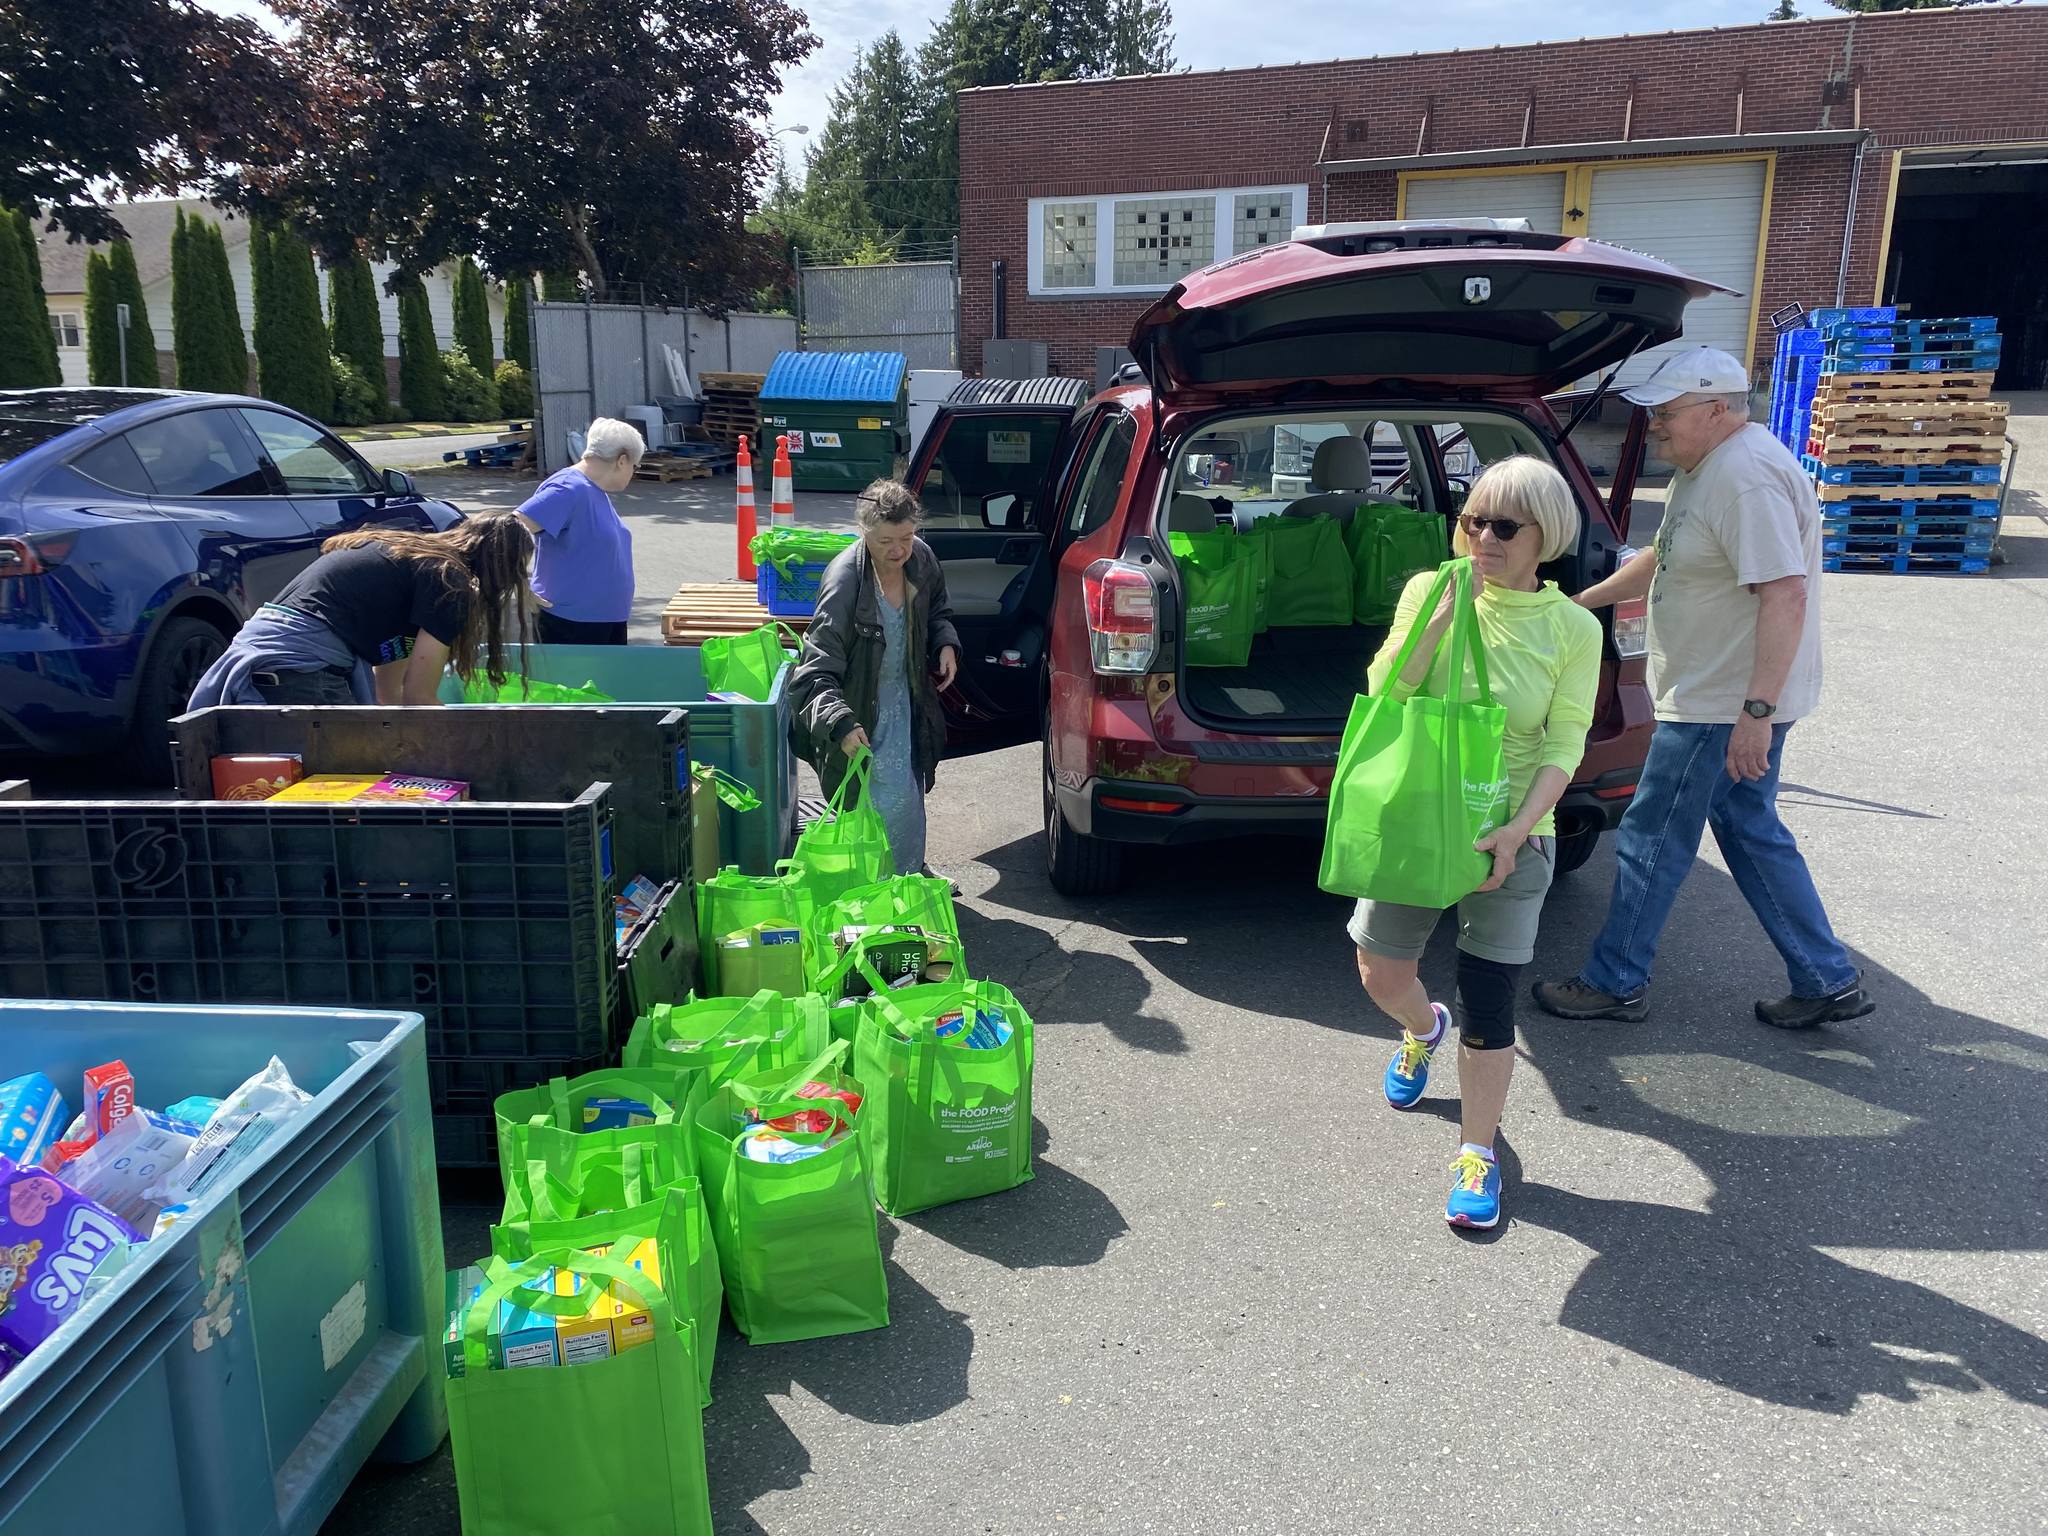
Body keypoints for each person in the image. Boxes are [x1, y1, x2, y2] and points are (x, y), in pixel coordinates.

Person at [1534, 346, 1873, 1031]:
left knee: (1651, 839)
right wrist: (1582, 601)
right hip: (1722, 697)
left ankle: (1615, 979)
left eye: (1666, 414)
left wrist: (1755, 713)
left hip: (1721, 705)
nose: (1654, 426)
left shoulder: (1746, 478)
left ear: (1717, 409)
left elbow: (1784, 596)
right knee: (1750, 831)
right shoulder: (1707, 467)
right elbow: (1669, 553)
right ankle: (1826, 976)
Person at [1352, 456, 1602, 1231]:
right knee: (1378, 971)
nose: (1481, 537)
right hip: (1421, 818)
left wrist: (1518, 831)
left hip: (1516, 831)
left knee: (1490, 1001)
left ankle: (1476, 1153)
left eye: (1502, 525)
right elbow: (1385, 690)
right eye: (1471, 521)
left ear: (1544, 537)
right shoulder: (1431, 588)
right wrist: (1438, 618)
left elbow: (1567, 741)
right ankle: (1424, 1029)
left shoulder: (1573, 628)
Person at [789, 479, 961, 881]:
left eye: (906, 536)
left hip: (909, 698)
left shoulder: (921, 558)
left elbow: (938, 609)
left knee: (909, 794)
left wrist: (945, 644)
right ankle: (881, 885)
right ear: (864, 532)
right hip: (861, 705)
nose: (898, 550)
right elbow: (813, 670)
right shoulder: (844, 581)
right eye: (886, 541)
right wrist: (841, 724)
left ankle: (910, 872)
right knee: (876, 800)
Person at [187, 514, 536, 708]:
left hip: (263, 651)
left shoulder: (406, 557)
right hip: (302, 668)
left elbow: (390, 693)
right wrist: (474, 747)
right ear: (500, 569)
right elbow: (419, 698)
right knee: (334, 785)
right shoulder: (450, 581)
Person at [516, 417, 642, 645]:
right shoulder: (569, 488)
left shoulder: (592, 490)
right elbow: (510, 529)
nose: (633, 473)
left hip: (599, 622)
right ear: (622, 460)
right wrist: (520, 585)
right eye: (635, 465)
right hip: (573, 626)